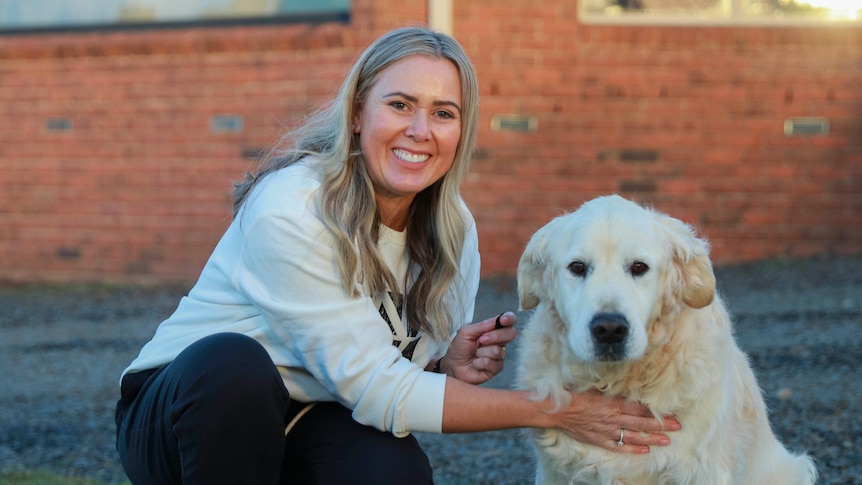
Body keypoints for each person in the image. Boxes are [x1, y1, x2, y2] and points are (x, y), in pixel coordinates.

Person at [114, 26, 680, 484]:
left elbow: (380, 370)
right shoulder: (291, 208)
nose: (419, 130)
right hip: (189, 417)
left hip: (314, 411)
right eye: (401, 104)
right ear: (358, 113)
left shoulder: (454, 228)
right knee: (233, 366)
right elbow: (377, 390)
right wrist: (556, 408)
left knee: (391, 471)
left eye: (443, 112)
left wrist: (441, 360)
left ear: (461, 130)